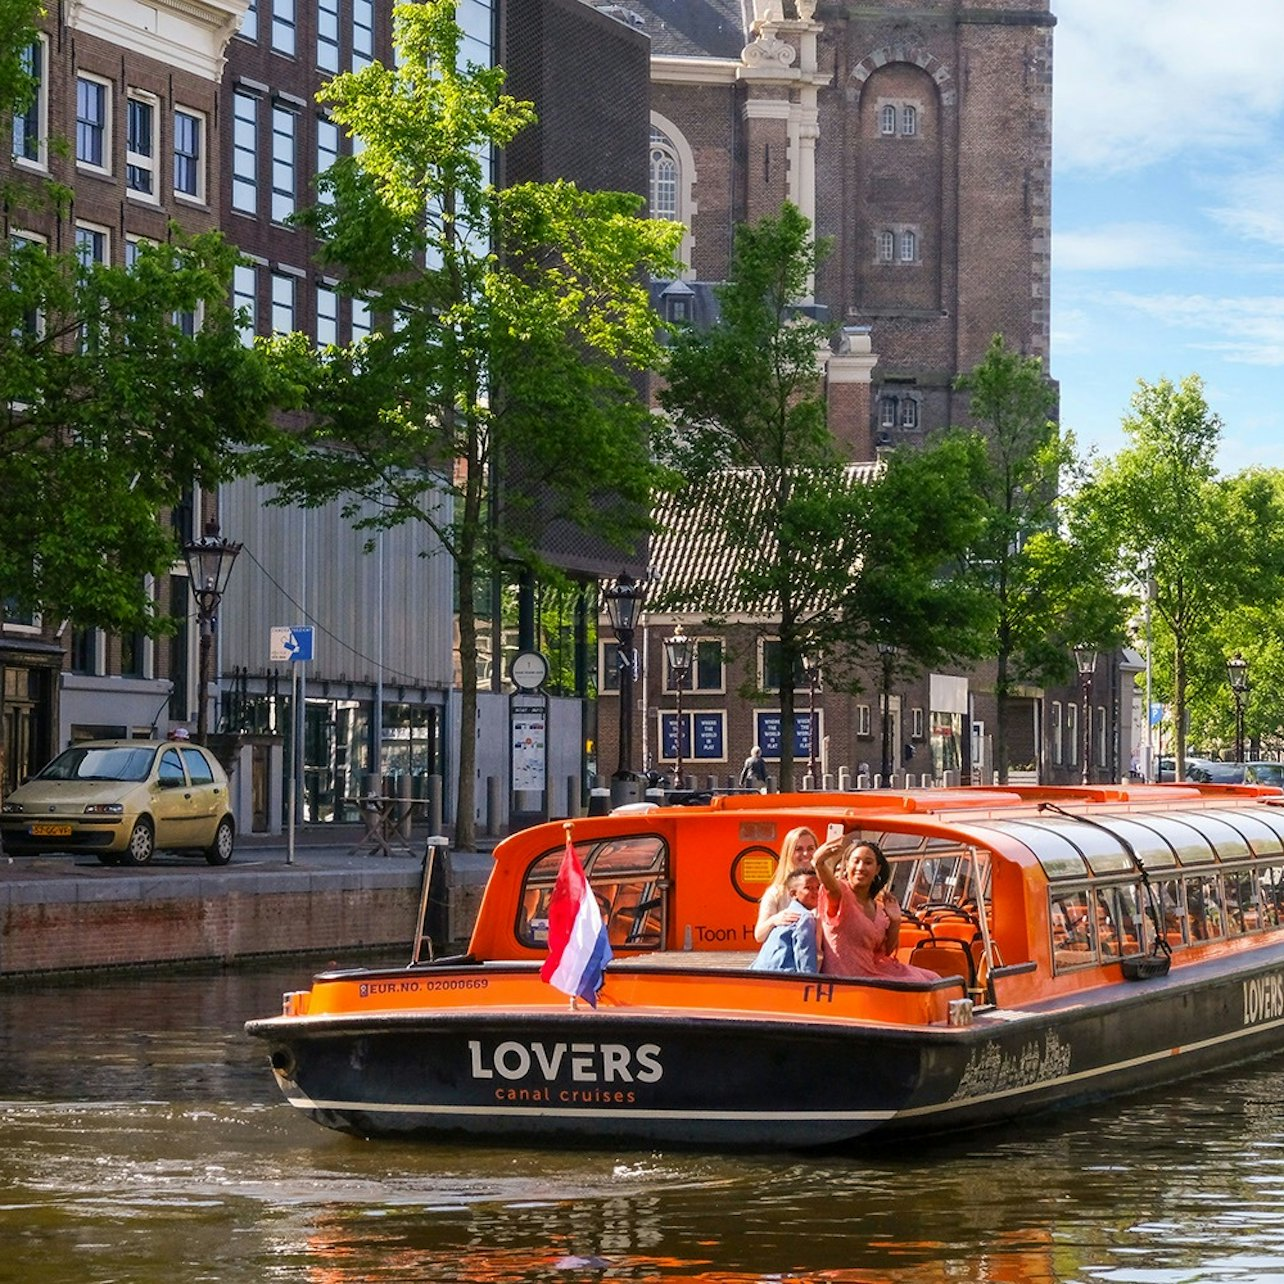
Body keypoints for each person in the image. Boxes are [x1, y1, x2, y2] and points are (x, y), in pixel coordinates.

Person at [812, 834, 937, 981]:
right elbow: (830, 886)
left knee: (932, 977)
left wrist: (895, 921)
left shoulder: (877, 907)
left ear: (877, 869)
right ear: (847, 865)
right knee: (915, 982)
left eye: (868, 863)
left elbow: (886, 951)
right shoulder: (842, 894)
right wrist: (819, 863)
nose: (860, 867)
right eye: (856, 861)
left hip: (874, 972)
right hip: (847, 979)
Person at [754, 825, 819, 942]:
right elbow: (759, 935)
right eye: (798, 849)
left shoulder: (824, 888)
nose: (805, 853)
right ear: (788, 853)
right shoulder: (776, 893)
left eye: (810, 848)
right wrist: (774, 920)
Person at [751, 866, 820, 972]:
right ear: (793, 894)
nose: (816, 892)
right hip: (782, 976)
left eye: (818, 887)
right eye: (808, 888)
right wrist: (811, 979)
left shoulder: (786, 914)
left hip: (759, 972)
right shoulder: (804, 918)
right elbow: (805, 955)